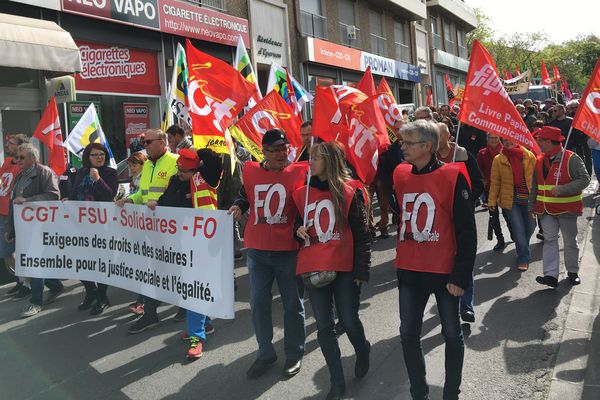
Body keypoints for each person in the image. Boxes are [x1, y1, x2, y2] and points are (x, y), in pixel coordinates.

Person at [393, 120, 476, 400]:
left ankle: (451, 391)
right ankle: (419, 391)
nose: (402, 147)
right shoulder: (400, 173)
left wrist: (460, 276)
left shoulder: (453, 177)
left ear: (427, 146)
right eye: (402, 142)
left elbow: (467, 232)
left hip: (444, 273)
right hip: (410, 270)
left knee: (452, 334)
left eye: (408, 143)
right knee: (408, 335)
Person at [293, 141, 371, 400]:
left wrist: (362, 270)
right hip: (315, 265)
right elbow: (298, 224)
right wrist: (298, 231)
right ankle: (336, 381)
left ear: (330, 161)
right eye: (310, 157)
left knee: (348, 320)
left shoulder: (350, 191)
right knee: (324, 326)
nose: (310, 162)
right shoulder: (302, 193)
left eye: (315, 157)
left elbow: (361, 234)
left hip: (346, 267)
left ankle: (362, 349)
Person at [228, 129, 307, 379]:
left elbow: (308, 205)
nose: (281, 154)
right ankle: (265, 353)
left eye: (284, 148)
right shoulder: (250, 170)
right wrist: (238, 205)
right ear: (263, 151)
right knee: (258, 304)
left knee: (293, 305)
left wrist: (300, 228)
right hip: (258, 251)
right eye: (275, 150)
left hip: (288, 251)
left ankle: (294, 353)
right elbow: (245, 195)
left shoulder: (300, 172)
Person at [144, 148, 221, 358]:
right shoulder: (174, 180)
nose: (180, 173)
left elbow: (214, 160)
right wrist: (156, 203)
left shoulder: (206, 179)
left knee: (194, 289)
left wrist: (201, 151)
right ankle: (206, 324)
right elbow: (167, 201)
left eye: (184, 171)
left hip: (203, 243)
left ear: (196, 169)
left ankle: (197, 338)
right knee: (189, 288)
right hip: (178, 244)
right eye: (179, 169)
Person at [116, 129, 179, 332]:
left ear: (162, 142)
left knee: (175, 271)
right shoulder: (148, 165)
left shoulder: (175, 161)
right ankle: (151, 313)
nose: (146, 145)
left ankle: (186, 309)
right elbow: (143, 194)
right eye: (145, 142)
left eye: (150, 141)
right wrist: (129, 199)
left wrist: (159, 202)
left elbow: (180, 192)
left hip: (172, 229)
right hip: (151, 229)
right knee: (153, 272)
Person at [529, 126, 590, 287]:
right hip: (545, 210)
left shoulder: (572, 158)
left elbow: (585, 179)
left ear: (550, 142)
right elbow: (535, 186)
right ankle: (550, 275)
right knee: (549, 240)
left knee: (570, 242)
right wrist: (531, 207)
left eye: (541, 140)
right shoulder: (540, 160)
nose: (538, 142)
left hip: (567, 210)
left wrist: (562, 190)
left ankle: (572, 272)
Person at [6, 143, 62, 318]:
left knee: (34, 262)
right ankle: (55, 285)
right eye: (17, 158)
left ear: (33, 158)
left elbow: (53, 195)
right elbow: (13, 202)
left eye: (22, 158)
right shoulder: (21, 175)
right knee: (33, 262)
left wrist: (29, 200)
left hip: (40, 227)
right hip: (25, 228)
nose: (18, 161)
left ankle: (36, 301)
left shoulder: (45, 172)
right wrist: (10, 228)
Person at [68, 143, 119, 314]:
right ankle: (91, 292)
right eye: (95, 155)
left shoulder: (110, 173)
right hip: (81, 225)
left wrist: (98, 179)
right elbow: (75, 193)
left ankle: (102, 297)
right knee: (81, 261)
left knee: (100, 262)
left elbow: (110, 195)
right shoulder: (81, 172)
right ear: (87, 157)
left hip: (101, 227)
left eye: (102, 154)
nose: (99, 157)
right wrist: (67, 200)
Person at [487, 139, 536, 271]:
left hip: (528, 199)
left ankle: (522, 245)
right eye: (505, 140)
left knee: (532, 226)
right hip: (510, 200)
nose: (508, 142)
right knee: (518, 229)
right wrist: (491, 200)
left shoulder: (529, 155)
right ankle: (523, 257)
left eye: (511, 139)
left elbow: (536, 178)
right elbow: (495, 182)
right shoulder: (498, 159)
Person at [1, 134, 30, 299]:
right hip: (2, 212)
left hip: (15, 213)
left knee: (18, 251)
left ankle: (26, 284)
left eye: (11, 143)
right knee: (6, 253)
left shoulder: (23, 165)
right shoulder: (6, 162)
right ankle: (21, 281)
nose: (7, 145)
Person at [476, 134, 513, 251]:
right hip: (490, 190)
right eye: (491, 138)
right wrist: (484, 181)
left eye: (496, 138)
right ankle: (500, 239)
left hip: (505, 188)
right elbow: (479, 170)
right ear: (487, 139)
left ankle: (513, 233)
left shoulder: (506, 151)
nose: (494, 140)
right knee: (494, 216)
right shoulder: (482, 153)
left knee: (508, 214)